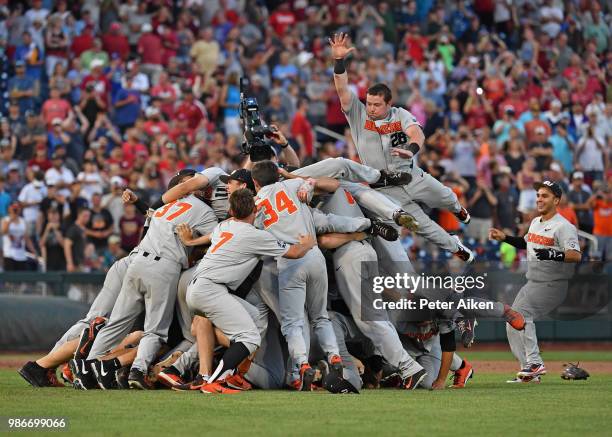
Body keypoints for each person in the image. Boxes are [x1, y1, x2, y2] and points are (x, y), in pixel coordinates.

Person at [329, 33, 473, 262]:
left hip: (410, 175)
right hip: (385, 187)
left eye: (377, 104)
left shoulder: (400, 114)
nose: (372, 108)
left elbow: (417, 133)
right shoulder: (357, 114)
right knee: (422, 225)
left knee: (446, 196)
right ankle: (456, 247)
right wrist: (338, 61)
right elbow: (342, 90)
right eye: (369, 103)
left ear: (389, 104)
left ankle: (458, 210)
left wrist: (412, 149)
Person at [489, 180, 581, 383]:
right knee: (512, 322)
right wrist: (504, 237)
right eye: (538, 195)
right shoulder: (535, 222)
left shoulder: (564, 226)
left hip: (553, 283)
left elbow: (575, 255)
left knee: (522, 315)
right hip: (532, 283)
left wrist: (552, 253)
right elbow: (526, 242)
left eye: (545, 195)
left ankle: (535, 363)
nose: (539, 199)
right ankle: (528, 371)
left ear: (556, 200)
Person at [1, 202, 36, 271]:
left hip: (21, 254)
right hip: (9, 254)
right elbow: (3, 232)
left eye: (17, 207)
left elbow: (26, 238)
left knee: (20, 278)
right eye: (13, 207)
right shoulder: (5, 220)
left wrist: (33, 251)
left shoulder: (23, 221)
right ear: (9, 209)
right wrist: (11, 220)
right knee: (10, 279)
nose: (15, 209)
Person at [64, 207, 91, 272]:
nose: (87, 218)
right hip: (75, 264)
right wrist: (69, 263)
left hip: (82, 263)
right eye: (85, 216)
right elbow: (66, 245)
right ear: (79, 215)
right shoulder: (73, 229)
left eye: (88, 216)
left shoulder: (82, 229)